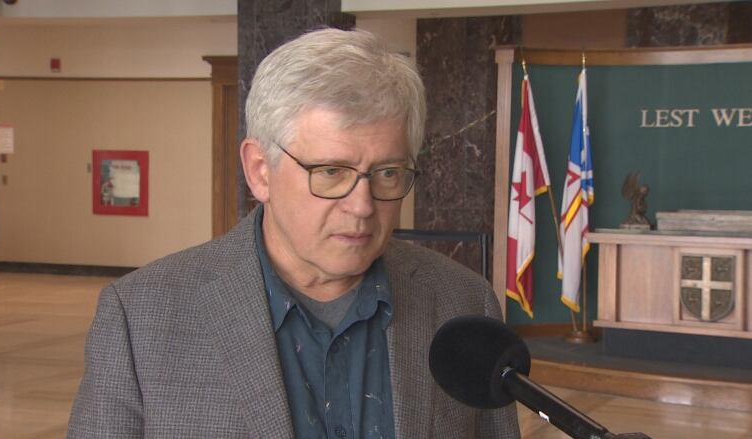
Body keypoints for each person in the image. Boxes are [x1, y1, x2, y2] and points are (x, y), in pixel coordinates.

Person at [68, 28, 519, 439]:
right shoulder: (141, 318)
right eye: (330, 171)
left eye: (386, 173)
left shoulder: (463, 304)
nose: (362, 206)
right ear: (260, 171)